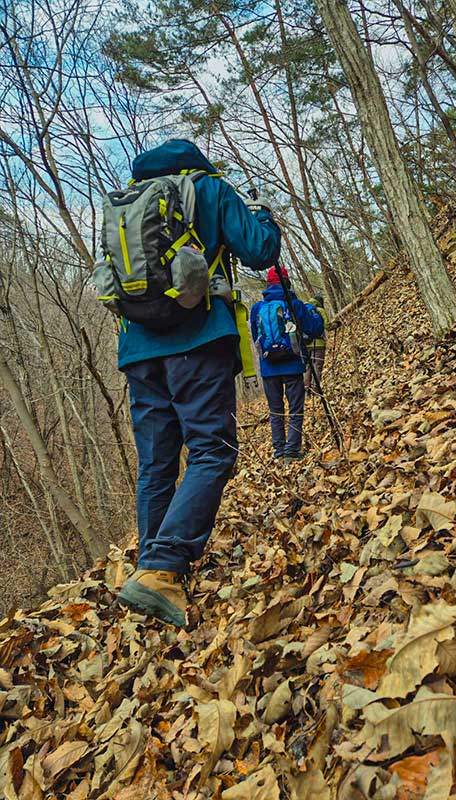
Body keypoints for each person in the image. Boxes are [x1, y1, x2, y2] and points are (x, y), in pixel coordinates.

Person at [115, 139, 280, 627]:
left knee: (156, 464)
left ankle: (151, 570)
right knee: (212, 451)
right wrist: (265, 217)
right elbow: (260, 249)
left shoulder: (126, 200)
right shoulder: (208, 188)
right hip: (198, 341)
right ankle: (162, 570)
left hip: (138, 352)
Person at [250, 266, 324, 462]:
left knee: (275, 410)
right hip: (292, 364)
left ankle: (279, 451)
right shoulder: (295, 304)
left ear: (268, 284)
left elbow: (255, 336)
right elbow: (315, 328)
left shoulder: (257, 308)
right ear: (286, 281)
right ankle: (292, 451)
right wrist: (312, 312)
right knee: (295, 408)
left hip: (268, 367)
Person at [304, 294, 328, 393]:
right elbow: (328, 326)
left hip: (306, 343)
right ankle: (316, 389)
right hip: (318, 343)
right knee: (317, 366)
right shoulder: (320, 310)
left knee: (308, 367)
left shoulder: (304, 309)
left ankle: (307, 389)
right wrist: (337, 324)